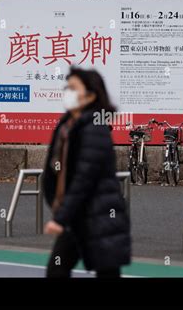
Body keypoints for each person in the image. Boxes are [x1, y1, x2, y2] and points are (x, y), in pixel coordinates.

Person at [42, 67, 131, 278]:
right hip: (78, 215)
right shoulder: (67, 124)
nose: (68, 92)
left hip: (98, 214)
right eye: (67, 87)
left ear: (90, 95)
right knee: (58, 269)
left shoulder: (94, 128)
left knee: (104, 272)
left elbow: (84, 179)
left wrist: (61, 218)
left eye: (73, 88)